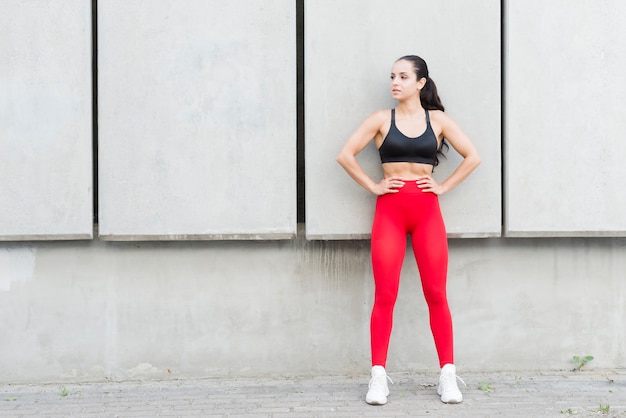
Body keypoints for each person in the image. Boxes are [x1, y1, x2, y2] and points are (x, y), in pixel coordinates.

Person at [336, 55, 481, 405]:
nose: (394, 82)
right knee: (385, 295)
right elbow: (345, 155)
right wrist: (373, 186)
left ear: (421, 83)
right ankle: (378, 377)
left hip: (428, 213)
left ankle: (447, 375)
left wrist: (443, 188)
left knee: (436, 295)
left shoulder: (439, 120)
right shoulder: (380, 120)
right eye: (391, 76)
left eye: (403, 76)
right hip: (390, 213)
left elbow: (473, 156)